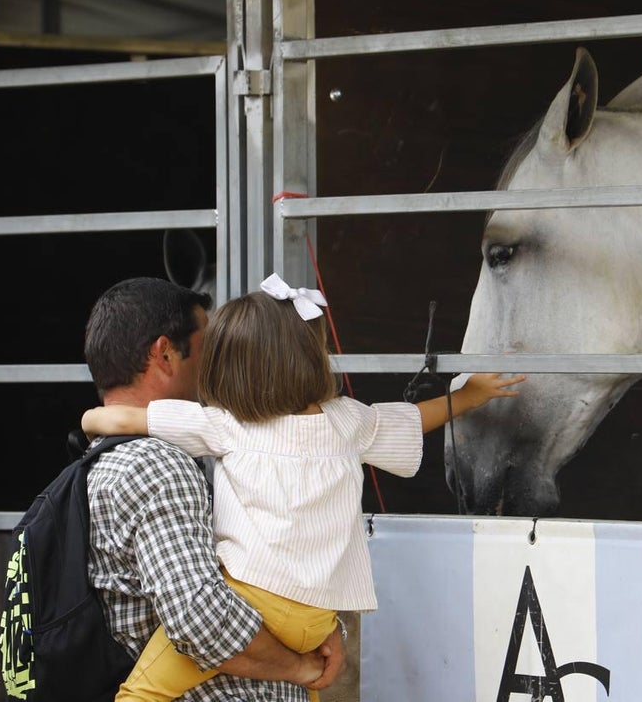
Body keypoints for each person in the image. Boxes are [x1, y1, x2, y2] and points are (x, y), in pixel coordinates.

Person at [82, 273, 526, 702]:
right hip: (317, 619)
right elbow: (411, 419)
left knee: (139, 693)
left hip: (251, 602)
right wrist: (468, 396)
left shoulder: (225, 425)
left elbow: (121, 419)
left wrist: (87, 420)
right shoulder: (348, 421)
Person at [83, 276, 346, 702]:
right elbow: (200, 619)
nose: (219, 365)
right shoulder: (158, 466)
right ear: (165, 354)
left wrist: (314, 623)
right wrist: (301, 665)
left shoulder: (103, 459)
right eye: (210, 349)